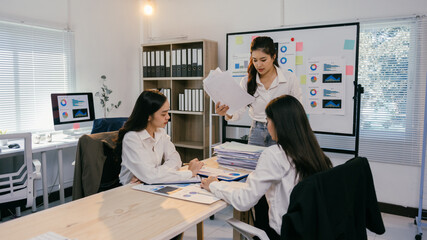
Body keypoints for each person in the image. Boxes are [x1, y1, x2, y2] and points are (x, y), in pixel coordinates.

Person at [201, 95, 332, 239]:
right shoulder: (316, 153)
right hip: (311, 232)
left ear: (279, 124)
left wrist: (214, 185)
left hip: (283, 234)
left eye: (268, 121)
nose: (267, 126)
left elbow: (244, 201)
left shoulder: (275, 154)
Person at [216, 36, 302, 147]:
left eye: (263, 60)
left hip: (283, 130)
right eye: (255, 60)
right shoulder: (247, 81)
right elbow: (238, 110)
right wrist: (226, 112)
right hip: (256, 131)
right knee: (254, 164)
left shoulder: (289, 78)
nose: (258, 65)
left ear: (273, 57)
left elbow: (299, 109)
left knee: (279, 163)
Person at [115, 89, 204, 185]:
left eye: (168, 112)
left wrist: (155, 173)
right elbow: (150, 177)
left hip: (148, 185)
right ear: (148, 116)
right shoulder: (132, 138)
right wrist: (189, 173)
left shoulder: (160, 133)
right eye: (163, 114)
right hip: (129, 190)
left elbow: (176, 160)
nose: (168, 117)